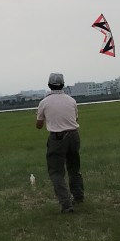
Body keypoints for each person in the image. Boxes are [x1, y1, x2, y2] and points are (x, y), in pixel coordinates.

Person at [35, 72, 84, 213]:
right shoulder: (71, 100)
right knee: (74, 168)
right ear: (63, 85)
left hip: (57, 138)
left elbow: (39, 125)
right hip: (74, 135)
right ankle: (78, 196)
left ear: (49, 85)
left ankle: (66, 205)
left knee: (56, 172)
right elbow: (75, 119)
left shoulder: (44, 102)